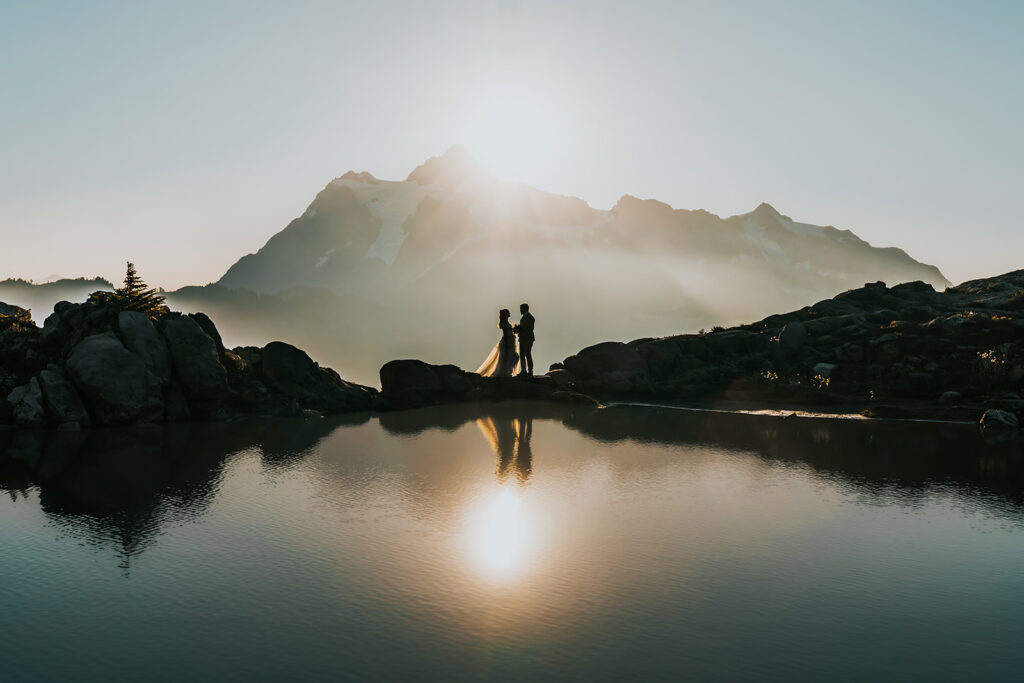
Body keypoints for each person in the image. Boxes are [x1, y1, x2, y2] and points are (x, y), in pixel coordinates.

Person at [475, 309, 520, 377]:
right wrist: (507, 344)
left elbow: (509, 332)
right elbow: (506, 334)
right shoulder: (504, 323)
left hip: (510, 342)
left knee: (511, 357)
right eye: (508, 313)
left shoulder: (506, 322)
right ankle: (504, 372)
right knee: (506, 357)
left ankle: (507, 371)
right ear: (506, 314)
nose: (509, 313)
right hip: (507, 342)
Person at [514, 302, 535, 377]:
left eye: (521, 309)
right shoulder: (523, 318)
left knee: (528, 355)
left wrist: (520, 330)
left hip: (528, 339)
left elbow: (530, 329)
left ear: (524, 309)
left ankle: (530, 371)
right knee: (522, 355)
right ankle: (523, 371)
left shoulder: (530, 317)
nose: (520, 311)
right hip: (522, 339)